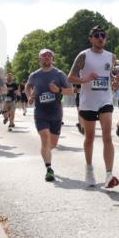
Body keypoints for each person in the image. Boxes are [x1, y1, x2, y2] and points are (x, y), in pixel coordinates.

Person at [68, 25, 119, 189]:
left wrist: (115, 82)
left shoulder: (112, 57)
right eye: (97, 35)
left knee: (107, 136)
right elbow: (71, 77)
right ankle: (89, 169)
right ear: (91, 38)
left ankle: (108, 174)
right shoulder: (84, 56)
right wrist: (85, 79)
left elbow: (112, 78)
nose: (100, 38)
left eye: (103, 35)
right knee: (89, 138)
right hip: (88, 102)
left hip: (105, 100)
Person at [25, 49, 74, 181]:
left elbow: (71, 90)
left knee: (52, 143)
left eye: (49, 56)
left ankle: (46, 152)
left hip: (56, 114)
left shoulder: (59, 74)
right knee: (45, 138)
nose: (47, 58)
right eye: (44, 56)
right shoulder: (35, 75)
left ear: (53, 59)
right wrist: (30, 96)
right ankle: (49, 168)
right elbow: (28, 86)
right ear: (39, 59)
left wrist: (58, 90)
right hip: (40, 113)